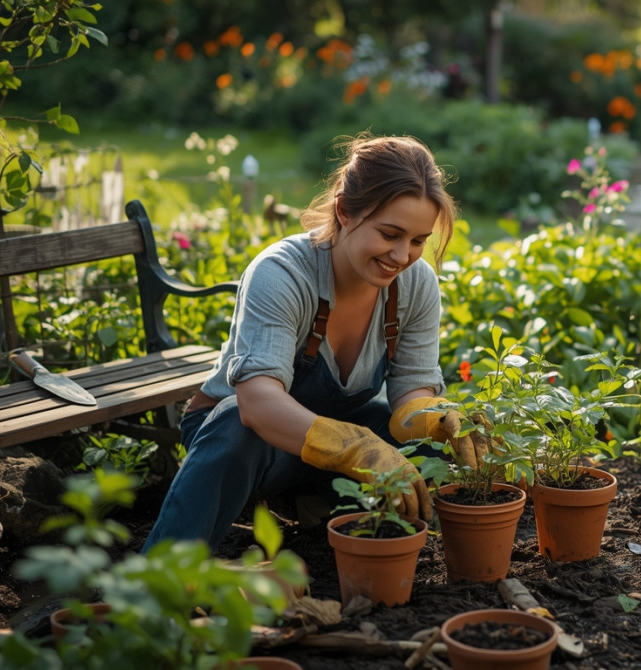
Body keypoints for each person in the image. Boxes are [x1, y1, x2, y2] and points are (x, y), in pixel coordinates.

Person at [142, 134, 485, 553]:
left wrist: (436, 418)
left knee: (427, 445)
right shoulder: (282, 274)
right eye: (390, 233)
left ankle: (357, 533)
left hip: (333, 439)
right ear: (344, 211)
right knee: (236, 422)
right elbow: (258, 403)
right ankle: (158, 581)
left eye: (417, 240)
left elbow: (411, 391)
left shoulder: (415, 285)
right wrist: (356, 447)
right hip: (250, 445)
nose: (402, 255)